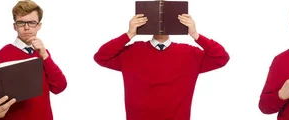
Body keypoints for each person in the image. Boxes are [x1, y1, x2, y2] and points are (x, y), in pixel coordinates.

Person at [93, 13, 230, 120]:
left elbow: (221, 57)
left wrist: (195, 34)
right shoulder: (132, 52)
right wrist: (129, 34)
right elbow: (101, 57)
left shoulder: (190, 54)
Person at [0, 0, 68, 120]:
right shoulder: (3, 54)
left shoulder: (43, 53)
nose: (27, 28)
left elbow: (59, 87)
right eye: (21, 23)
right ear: (15, 26)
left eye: (32, 22)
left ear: (39, 26)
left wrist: (44, 55)